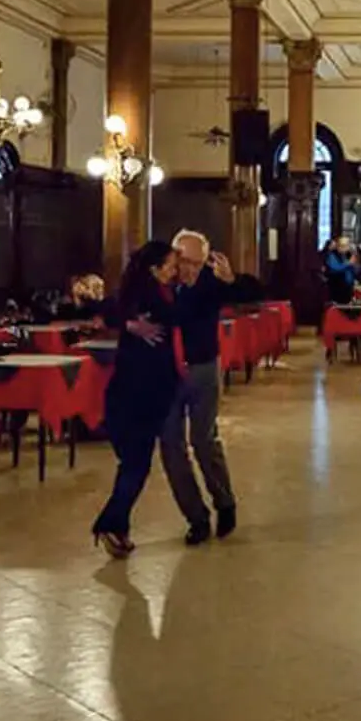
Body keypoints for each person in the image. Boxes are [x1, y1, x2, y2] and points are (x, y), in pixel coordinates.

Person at [91, 241, 180, 559]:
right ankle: (109, 523)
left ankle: (118, 528)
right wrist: (130, 325)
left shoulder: (158, 291)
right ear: (155, 268)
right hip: (137, 391)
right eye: (171, 263)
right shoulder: (145, 295)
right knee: (136, 463)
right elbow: (106, 311)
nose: (175, 269)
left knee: (133, 463)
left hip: (147, 389)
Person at [163, 230, 239, 545]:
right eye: (184, 260)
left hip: (204, 368)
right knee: (171, 447)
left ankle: (225, 502)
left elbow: (247, 293)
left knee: (203, 440)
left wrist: (230, 281)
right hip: (166, 374)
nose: (189, 268)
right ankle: (195, 517)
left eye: (196, 262)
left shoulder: (212, 284)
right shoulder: (161, 284)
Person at [322, 238, 358, 305]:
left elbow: (351, 270)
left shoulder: (345, 255)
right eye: (347, 246)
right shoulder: (332, 255)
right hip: (337, 289)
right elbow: (336, 268)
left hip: (347, 289)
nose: (348, 248)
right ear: (340, 246)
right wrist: (349, 263)